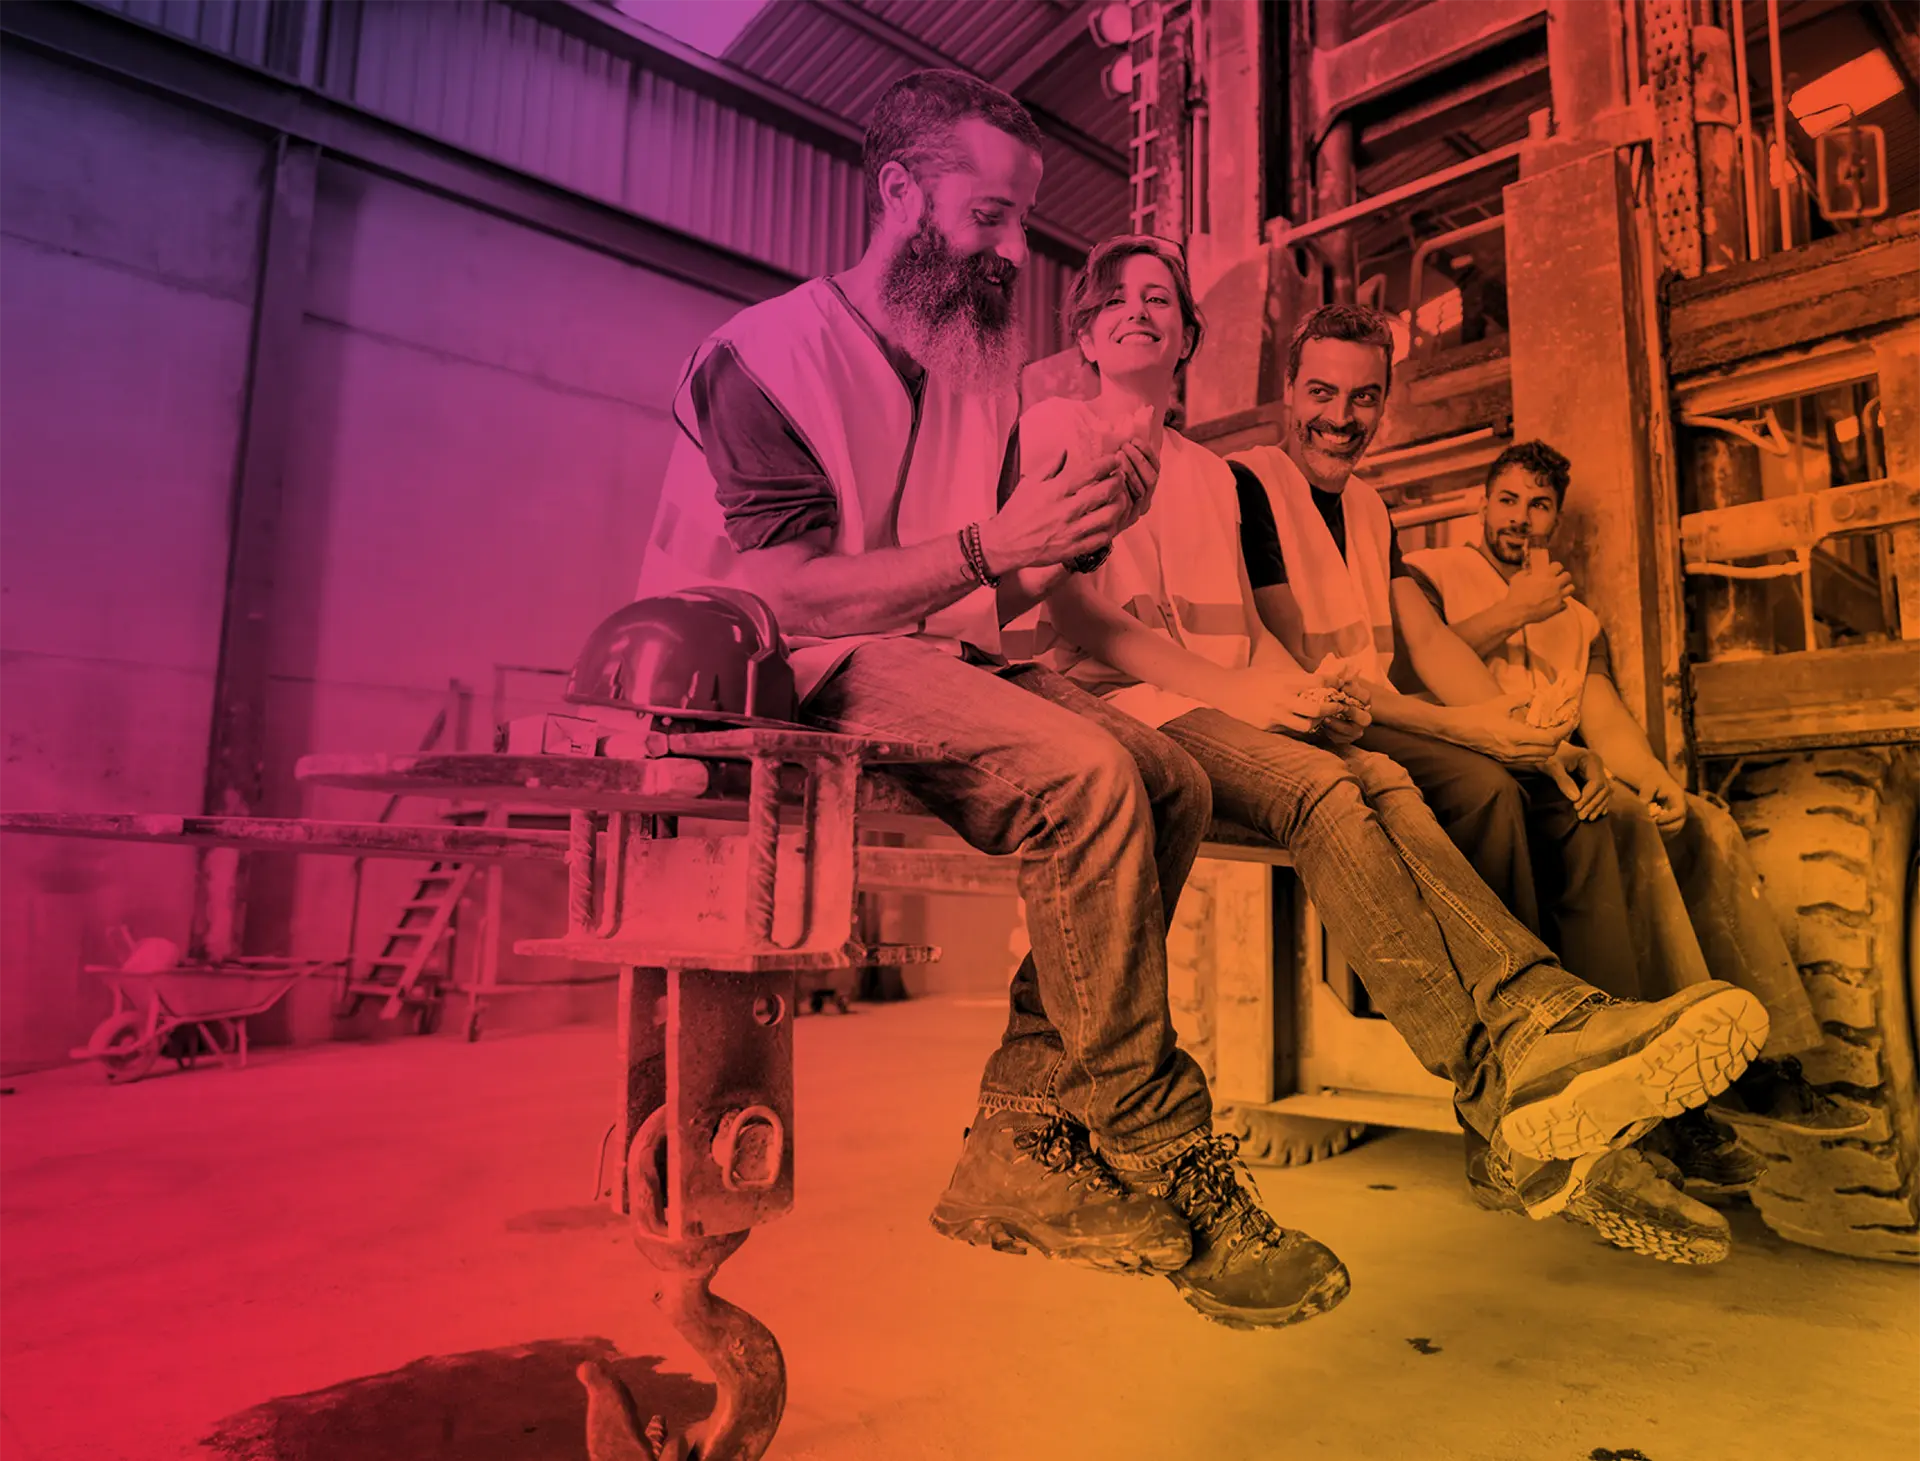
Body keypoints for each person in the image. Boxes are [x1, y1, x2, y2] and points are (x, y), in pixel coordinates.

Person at [1016, 236, 1770, 1265]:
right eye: (1118, 298)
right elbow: (1081, 618)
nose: (1141, 310)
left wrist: (1289, 695)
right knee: (1350, 786)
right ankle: (1499, 1077)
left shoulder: (1206, 475)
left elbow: (1245, 634)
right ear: (1084, 329)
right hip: (1137, 707)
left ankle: (1549, 1026)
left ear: (1191, 336)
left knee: (1385, 778)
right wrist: (1277, 695)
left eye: (1162, 298)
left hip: (1247, 705)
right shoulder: (1064, 426)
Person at [1403, 440, 1869, 1183]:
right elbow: (1409, 668)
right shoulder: (1430, 575)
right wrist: (1511, 610)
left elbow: (1601, 708)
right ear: (1481, 502)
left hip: (1556, 769)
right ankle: (1673, 1104)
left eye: (1539, 504)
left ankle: (1760, 1058)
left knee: (1695, 819)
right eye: (1508, 499)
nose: (1521, 517)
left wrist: (1658, 779)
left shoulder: (1576, 616)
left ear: (1555, 518)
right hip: (1471, 767)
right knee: (1616, 817)